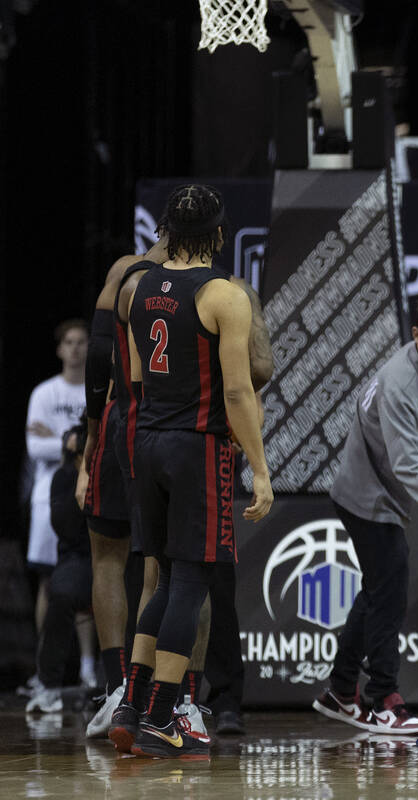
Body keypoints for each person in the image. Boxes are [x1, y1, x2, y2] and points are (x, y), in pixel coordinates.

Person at [110, 184, 272, 760]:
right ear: (220, 233)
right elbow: (236, 389)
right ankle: (160, 717)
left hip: (145, 438)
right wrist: (259, 468)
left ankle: (132, 703)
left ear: (165, 233)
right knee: (190, 584)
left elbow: (133, 380)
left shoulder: (136, 286)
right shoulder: (224, 294)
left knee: (160, 575)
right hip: (195, 445)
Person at [312, 297, 418, 736]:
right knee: (389, 597)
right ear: (416, 335)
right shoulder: (399, 381)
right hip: (366, 498)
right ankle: (383, 702)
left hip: (386, 497)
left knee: (377, 592)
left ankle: (339, 692)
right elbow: (406, 465)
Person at [78, 241, 170, 738]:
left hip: (120, 420)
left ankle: (119, 690)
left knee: (109, 557)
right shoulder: (213, 283)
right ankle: (146, 694)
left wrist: (92, 435)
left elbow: (97, 358)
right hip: (170, 429)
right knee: (163, 563)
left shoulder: (126, 271)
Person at [25, 421, 94, 713]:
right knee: (61, 592)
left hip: (114, 553)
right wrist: (82, 478)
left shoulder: (112, 473)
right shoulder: (63, 478)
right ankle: (49, 684)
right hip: (77, 556)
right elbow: (66, 526)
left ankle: (123, 684)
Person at [25, 319, 89, 638]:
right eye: (70, 342)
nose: (75, 348)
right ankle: (43, 670)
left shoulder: (97, 391)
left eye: (81, 342)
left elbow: (99, 444)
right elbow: (35, 447)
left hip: (87, 492)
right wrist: (73, 441)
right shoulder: (43, 393)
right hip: (47, 497)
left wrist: (60, 438)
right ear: (60, 349)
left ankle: (90, 668)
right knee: (48, 581)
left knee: (87, 578)